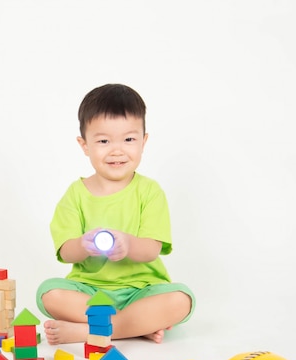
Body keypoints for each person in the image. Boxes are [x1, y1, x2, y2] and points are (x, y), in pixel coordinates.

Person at [36, 84, 195, 345]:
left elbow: (152, 249)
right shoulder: (75, 194)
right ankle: (134, 325)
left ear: (143, 142)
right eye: (103, 141)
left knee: (182, 299)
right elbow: (66, 252)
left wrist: (129, 244)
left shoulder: (149, 191)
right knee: (48, 293)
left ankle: (93, 331)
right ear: (84, 145)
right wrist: (83, 245)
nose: (117, 150)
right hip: (89, 290)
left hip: (142, 291)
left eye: (129, 139)